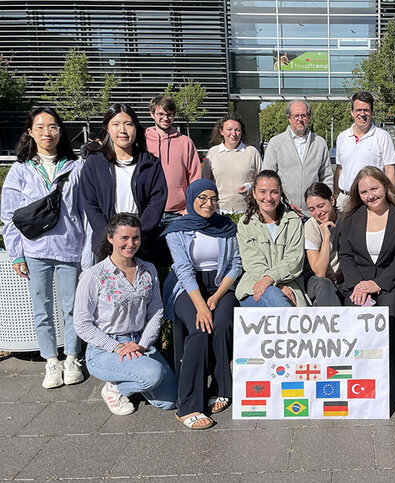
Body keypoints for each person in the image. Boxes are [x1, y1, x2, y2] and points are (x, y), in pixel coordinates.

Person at [1, 107, 85, 388]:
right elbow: (10, 214)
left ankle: (72, 358)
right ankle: (51, 361)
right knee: (42, 309)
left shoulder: (76, 167)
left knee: (73, 307)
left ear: (61, 132)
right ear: (30, 132)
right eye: (40, 127)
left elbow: (85, 211)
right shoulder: (21, 169)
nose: (47, 133)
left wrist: (87, 249)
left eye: (52, 127)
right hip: (34, 250)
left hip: (69, 248)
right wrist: (16, 253)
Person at [73, 213, 177, 416]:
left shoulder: (148, 270)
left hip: (139, 344)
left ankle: (131, 380)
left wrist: (143, 344)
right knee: (153, 375)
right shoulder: (93, 275)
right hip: (105, 349)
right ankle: (114, 389)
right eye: (124, 238)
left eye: (135, 238)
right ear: (111, 238)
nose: (131, 244)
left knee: (170, 401)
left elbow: (156, 311)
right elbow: (82, 324)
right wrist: (117, 347)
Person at [163, 179, 241, 429]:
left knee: (223, 324)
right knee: (199, 329)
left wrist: (216, 297)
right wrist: (201, 305)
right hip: (187, 288)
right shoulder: (178, 230)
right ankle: (189, 404)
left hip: (218, 285)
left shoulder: (226, 226)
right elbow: (184, 270)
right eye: (202, 198)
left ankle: (221, 389)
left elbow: (236, 264)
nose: (209, 204)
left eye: (213, 198)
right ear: (192, 199)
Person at [338, 166, 395, 349]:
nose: (370, 196)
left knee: (387, 321)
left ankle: (386, 373)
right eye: (364, 192)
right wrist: (359, 284)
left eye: (374, 189)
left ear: (386, 187)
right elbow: (345, 255)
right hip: (358, 282)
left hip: (392, 283)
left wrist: (378, 283)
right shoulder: (350, 219)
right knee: (356, 322)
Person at [80, 104, 168, 261]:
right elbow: (90, 203)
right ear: (107, 128)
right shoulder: (94, 163)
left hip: (142, 241)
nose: (122, 130)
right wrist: (109, 236)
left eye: (128, 124)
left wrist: (138, 234)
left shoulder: (150, 163)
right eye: (116, 124)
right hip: (107, 239)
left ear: (136, 128)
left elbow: (157, 201)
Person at [236, 170, 307, 308]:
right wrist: (271, 282)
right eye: (262, 192)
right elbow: (252, 261)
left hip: (290, 286)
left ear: (280, 193)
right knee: (275, 299)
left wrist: (271, 279)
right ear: (254, 193)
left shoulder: (293, 221)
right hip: (254, 286)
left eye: (274, 192)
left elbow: (294, 259)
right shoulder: (245, 224)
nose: (268, 198)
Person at [262, 100, 333, 215]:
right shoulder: (275, 143)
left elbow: (327, 177)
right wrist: (282, 203)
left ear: (309, 117)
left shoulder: (320, 143)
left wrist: (323, 204)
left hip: (314, 213)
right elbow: (267, 178)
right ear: (289, 118)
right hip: (284, 211)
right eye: (295, 116)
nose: (299, 119)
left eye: (303, 115)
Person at [333, 91, 395, 211]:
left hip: (372, 200)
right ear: (352, 112)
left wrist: (390, 198)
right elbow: (339, 169)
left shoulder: (382, 136)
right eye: (358, 110)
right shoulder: (342, 137)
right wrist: (336, 195)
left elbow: (389, 170)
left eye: (366, 110)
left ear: (372, 112)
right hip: (345, 200)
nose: (362, 114)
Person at [145, 95, 201, 225]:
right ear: (152, 114)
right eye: (161, 114)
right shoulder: (143, 141)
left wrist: (191, 208)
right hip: (149, 211)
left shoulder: (185, 142)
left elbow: (195, 177)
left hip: (179, 213)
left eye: (169, 114)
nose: (165, 118)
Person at [202, 113, 261, 213]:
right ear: (221, 131)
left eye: (237, 130)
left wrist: (249, 186)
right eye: (229, 130)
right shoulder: (213, 152)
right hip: (218, 211)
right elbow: (205, 182)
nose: (233, 133)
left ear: (242, 132)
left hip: (246, 211)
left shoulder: (252, 152)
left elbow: (262, 181)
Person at [304, 182, 345, 306]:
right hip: (316, 280)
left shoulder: (346, 219)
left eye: (321, 206)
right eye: (312, 209)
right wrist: (326, 237)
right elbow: (320, 272)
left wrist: (340, 275)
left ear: (332, 200)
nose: (318, 212)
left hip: (343, 276)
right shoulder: (311, 226)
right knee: (324, 284)